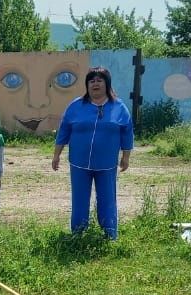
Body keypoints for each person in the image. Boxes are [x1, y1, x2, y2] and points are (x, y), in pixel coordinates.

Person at [50, 67, 133, 239]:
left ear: (107, 84)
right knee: (79, 200)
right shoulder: (76, 106)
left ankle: (109, 234)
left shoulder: (119, 107)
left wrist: (126, 157)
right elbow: (64, 130)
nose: (95, 84)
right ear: (87, 85)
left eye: (99, 80)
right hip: (79, 163)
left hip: (107, 164)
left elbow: (127, 132)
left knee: (107, 200)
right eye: (92, 81)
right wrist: (56, 154)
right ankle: (78, 234)